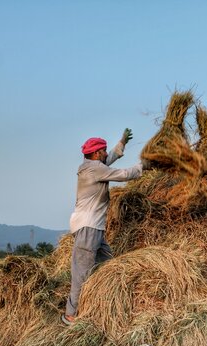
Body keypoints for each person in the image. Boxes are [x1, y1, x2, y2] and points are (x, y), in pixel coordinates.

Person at [63, 129, 147, 325]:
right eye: (103, 151)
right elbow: (123, 174)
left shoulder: (93, 166)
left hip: (94, 228)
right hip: (87, 226)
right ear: (95, 154)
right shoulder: (94, 169)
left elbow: (109, 160)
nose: (105, 154)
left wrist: (122, 143)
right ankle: (70, 314)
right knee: (81, 271)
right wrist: (144, 165)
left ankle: (100, 304)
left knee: (109, 264)